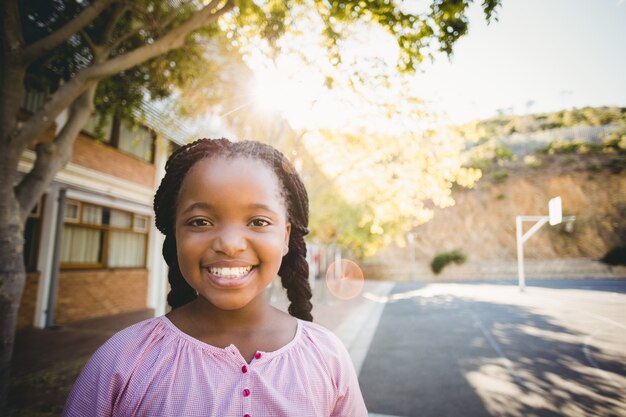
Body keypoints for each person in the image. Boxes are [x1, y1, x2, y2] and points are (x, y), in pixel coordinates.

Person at [62, 138, 368, 417]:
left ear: (285, 236)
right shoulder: (123, 361)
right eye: (200, 221)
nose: (230, 243)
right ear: (176, 235)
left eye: (258, 221)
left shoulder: (326, 357)